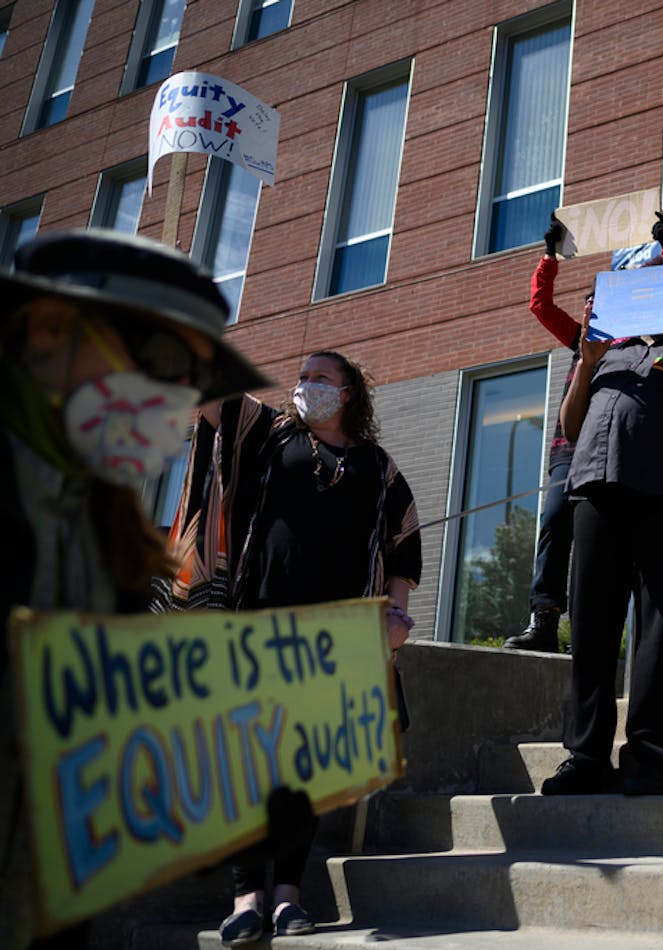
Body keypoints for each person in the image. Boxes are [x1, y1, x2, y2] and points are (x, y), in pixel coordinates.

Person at [0, 229, 266, 949]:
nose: (177, 403)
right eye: (165, 363)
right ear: (49, 330)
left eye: (195, 382)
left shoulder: (106, 523)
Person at [157, 350, 421, 945]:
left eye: (319, 379)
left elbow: (403, 544)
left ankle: (287, 897)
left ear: (348, 392)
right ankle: (245, 896)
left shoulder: (379, 468)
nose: (304, 387)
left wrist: (397, 618)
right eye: (301, 378)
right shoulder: (272, 436)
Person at [540, 276, 663, 797]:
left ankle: (656, 758)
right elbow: (571, 424)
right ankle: (585, 757)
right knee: (591, 630)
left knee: (660, 631)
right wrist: (587, 358)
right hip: (599, 494)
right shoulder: (603, 354)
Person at [504, 213, 663, 652]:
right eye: (588, 302)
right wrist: (549, 254)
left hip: (619, 452)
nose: (591, 309)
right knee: (553, 521)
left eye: (600, 302)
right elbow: (540, 304)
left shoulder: (640, 342)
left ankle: (599, 631)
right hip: (571, 448)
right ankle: (544, 620)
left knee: (603, 541)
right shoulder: (580, 340)